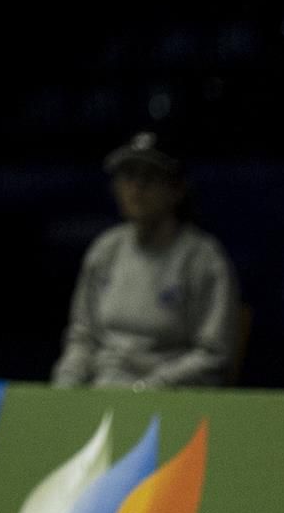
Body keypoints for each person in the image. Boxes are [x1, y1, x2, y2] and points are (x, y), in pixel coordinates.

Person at [51, 131, 240, 390]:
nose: (136, 187)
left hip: (169, 403)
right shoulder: (106, 250)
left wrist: (148, 389)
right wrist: (64, 388)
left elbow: (212, 356)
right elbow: (82, 338)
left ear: (177, 189)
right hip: (99, 395)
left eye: (150, 177)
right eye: (128, 175)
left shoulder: (204, 260)